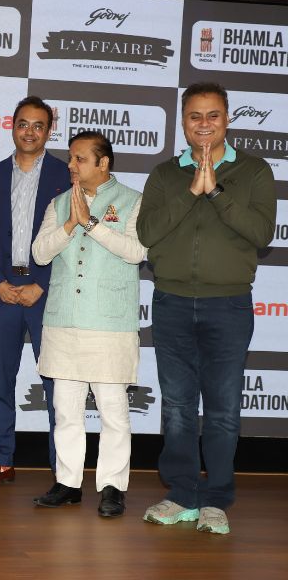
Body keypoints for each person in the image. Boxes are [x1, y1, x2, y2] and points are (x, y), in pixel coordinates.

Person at [137, 82, 276, 534]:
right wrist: (191, 192)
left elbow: (262, 234)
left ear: (227, 119)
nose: (204, 124)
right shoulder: (165, 174)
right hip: (172, 302)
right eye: (195, 116)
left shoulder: (254, 171)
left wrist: (215, 192)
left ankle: (216, 500)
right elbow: (147, 234)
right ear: (183, 121)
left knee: (223, 409)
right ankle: (181, 495)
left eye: (212, 115)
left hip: (229, 306)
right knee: (178, 407)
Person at [31, 131, 146, 517]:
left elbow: (136, 252)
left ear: (103, 162)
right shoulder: (59, 202)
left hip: (109, 323)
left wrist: (92, 224)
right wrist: (69, 224)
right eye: (71, 158)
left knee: (113, 409)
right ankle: (68, 483)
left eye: (79, 159)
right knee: (66, 408)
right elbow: (40, 254)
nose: (71, 165)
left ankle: (113, 487)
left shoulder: (133, 201)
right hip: (64, 319)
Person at [0, 96, 70, 487]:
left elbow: (73, 235)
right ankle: (2, 460)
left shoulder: (66, 174)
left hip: (47, 293)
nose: (30, 132)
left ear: (49, 131)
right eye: (23, 124)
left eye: (38, 125)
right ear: (12, 127)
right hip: (2, 292)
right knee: (1, 380)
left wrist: (41, 284)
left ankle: (62, 468)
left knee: (56, 384)